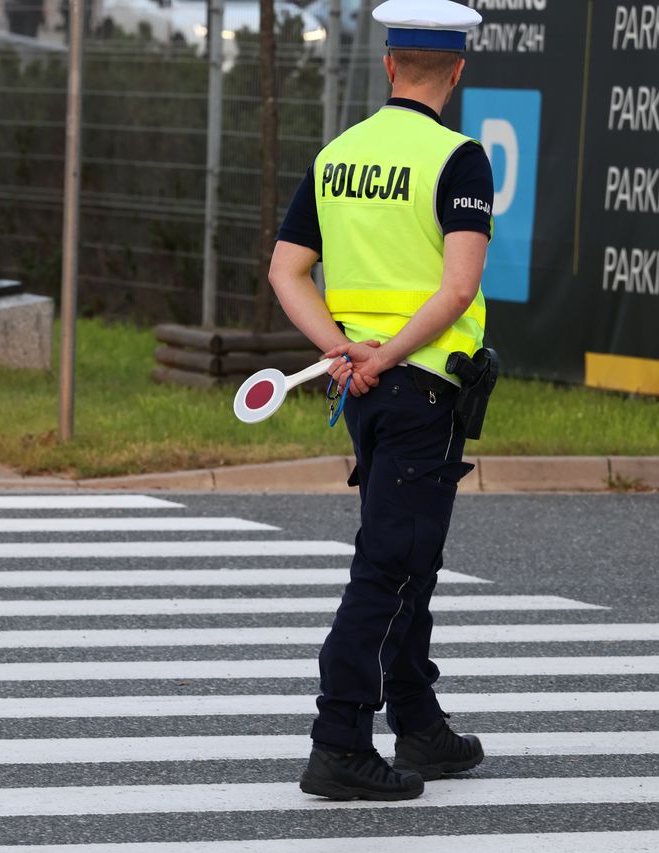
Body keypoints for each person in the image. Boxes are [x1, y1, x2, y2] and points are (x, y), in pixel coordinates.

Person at [268, 0, 494, 801]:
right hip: (418, 386)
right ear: (456, 71)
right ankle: (338, 739)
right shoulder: (458, 159)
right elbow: (458, 286)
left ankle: (420, 723)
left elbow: (285, 271)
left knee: (410, 557)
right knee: (391, 568)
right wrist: (389, 355)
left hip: (359, 390)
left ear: (390, 65)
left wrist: (341, 351)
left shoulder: (337, 155)